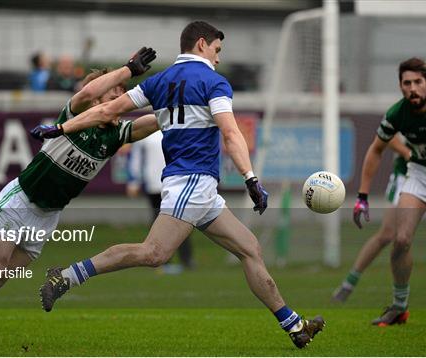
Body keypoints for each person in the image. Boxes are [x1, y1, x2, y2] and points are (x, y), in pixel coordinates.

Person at [34, 20, 325, 349]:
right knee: (154, 253)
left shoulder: (159, 80)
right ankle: (67, 276)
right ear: (202, 44)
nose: (218, 58)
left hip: (199, 188)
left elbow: (107, 110)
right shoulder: (214, 82)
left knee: (250, 248)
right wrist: (250, 178)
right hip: (192, 181)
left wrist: (61, 128)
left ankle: (294, 326)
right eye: (217, 50)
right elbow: (230, 133)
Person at [0, 47, 157, 348]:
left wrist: (182, 103)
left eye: (124, 93)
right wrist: (129, 69)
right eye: (115, 91)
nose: (120, 97)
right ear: (97, 96)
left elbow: (155, 122)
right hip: (20, 202)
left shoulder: (116, 134)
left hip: (46, 217)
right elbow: (88, 91)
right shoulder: (78, 113)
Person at [331, 53, 426, 303]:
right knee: (395, 236)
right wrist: (362, 196)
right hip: (415, 174)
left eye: (418, 82)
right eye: (407, 83)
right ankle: (358, 287)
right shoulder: (399, 112)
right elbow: (379, 146)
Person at [126, 131, 195, 273]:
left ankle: (186, 259)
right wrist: (134, 181)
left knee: (182, 220)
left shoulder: (177, 128)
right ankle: (163, 260)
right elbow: (136, 158)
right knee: (158, 221)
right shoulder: (146, 133)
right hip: (154, 185)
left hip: (176, 183)